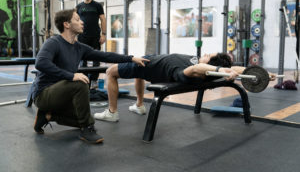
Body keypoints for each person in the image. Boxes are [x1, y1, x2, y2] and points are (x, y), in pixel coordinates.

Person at [32, 9, 148, 144]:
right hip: (43, 94)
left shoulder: (79, 47)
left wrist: (131, 58)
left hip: (63, 95)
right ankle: (87, 129)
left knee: (83, 117)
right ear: (67, 24)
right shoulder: (54, 42)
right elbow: (40, 63)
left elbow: (105, 55)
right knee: (80, 83)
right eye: (77, 19)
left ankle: (46, 116)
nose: (82, 22)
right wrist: (71, 75)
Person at [94, 53, 277, 122]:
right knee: (137, 72)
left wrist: (220, 69)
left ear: (210, 65)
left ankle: (112, 112)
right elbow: (235, 69)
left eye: (208, 55)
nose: (204, 54)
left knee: (111, 71)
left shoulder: (191, 71)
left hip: (150, 65)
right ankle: (140, 105)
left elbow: (197, 68)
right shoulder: (207, 69)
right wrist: (262, 73)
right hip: (153, 61)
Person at [76, 0, 106, 89]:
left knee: (96, 59)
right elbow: (75, 21)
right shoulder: (78, 7)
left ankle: (93, 80)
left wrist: (104, 34)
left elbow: (103, 20)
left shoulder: (97, 5)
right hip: (82, 37)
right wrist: (74, 35)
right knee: (82, 59)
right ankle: (84, 81)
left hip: (95, 37)